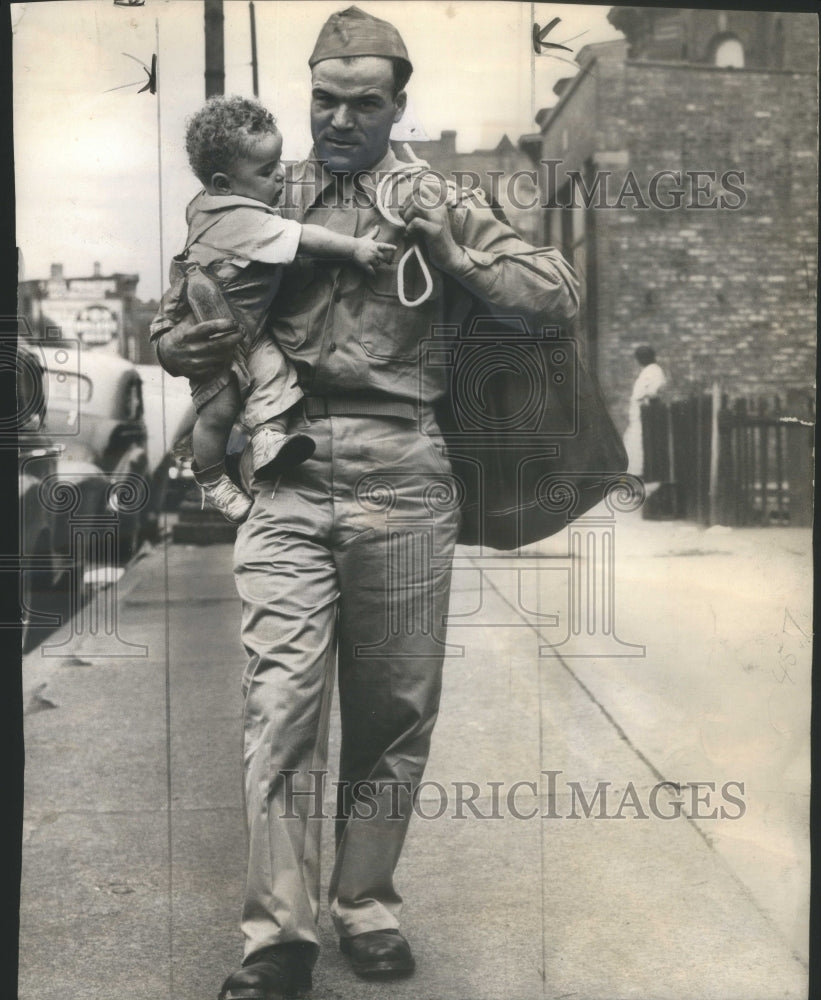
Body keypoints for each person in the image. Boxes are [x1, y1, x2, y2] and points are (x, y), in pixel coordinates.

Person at [154, 8, 579, 999]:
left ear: (397, 105)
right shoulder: (264, 192)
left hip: (403, 469)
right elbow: (184, 306)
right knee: (279, 705)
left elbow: (553, 291)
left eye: (363, 104)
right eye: (324, 101)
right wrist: (177, 340)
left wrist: (455, 249)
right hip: (287, 471)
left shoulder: (436, 196)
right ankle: (277, 936)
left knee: (393, 711)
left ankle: (365, 901)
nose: (339, 120)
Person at [151, 94, 396, 522]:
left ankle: (266, 439)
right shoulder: (245, 218)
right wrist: (356, 248)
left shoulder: (208, 205)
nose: (280, 176)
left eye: (279, 163)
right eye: (267, 171)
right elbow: (303, 237)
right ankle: (210, 478)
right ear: (225, 184)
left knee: (275, 377)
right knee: (220, 410)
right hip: (218, 330)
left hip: (249, 327)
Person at [623, 344, 667, 477]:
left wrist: (645, 397)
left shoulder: (653, 371)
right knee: (631, 441)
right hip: (638, 414)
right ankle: (634, 474)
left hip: (644, 415)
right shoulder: (650, 370)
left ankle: (637, 475)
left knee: (637, 443)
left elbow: (653, 390)